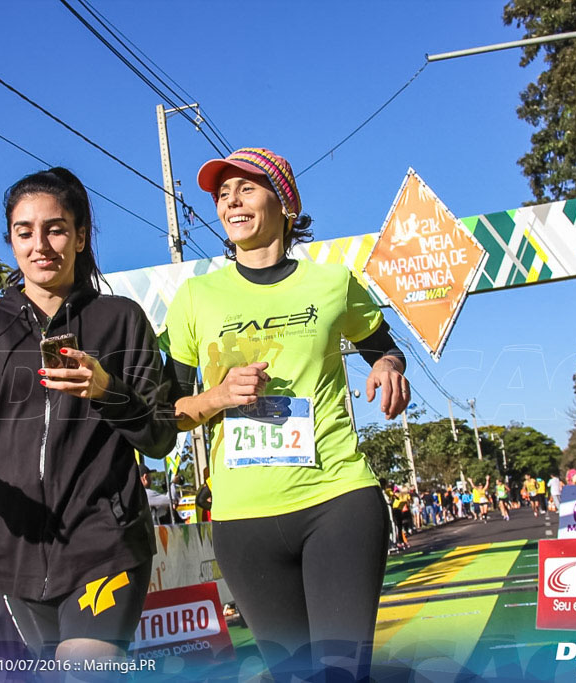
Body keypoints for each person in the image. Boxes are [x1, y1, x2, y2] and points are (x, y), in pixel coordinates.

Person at [0, 167, 177, 662]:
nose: (40, 244)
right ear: (11, 240)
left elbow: (160, 434)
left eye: (57, 228)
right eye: (25, 232)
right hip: (15, 548)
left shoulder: (121, 320)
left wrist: (107, 390)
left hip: (103, 542)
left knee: (88, 666)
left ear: (81, 236)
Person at [162, 147, 410, 680]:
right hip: (243, 517)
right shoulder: (194, 297)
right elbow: (170, 413)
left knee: (342, 672)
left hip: (337, 499)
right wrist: (218, 397)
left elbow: (384, 347)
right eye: (222, 194)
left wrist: (388, 368)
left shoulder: (331, 283)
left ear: (285, 203)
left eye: (246, 188)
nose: (231, 200)